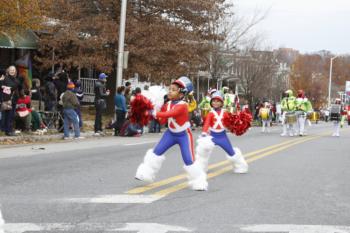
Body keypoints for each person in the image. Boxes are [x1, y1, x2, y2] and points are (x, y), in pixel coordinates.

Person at [135, 76, 208, 191]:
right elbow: (163, 121)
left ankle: (199, 181)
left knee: (188, 160)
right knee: (156, 152)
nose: (170, 91)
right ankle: (146, 174)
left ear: (181, 94)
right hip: (170, 134)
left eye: (173, 90)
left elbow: (169, 114)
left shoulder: (183, 105)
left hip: (184, 135)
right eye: (170, 89)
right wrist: (153, 110)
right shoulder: (167, 104)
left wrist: (155, 113)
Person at [195, 91, 248, 187]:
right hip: (212, 136)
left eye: (218, 101)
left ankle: (240, 165)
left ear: (221, 103)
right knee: (204, 152)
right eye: (214, 101)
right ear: (211, 102)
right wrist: (204, 133)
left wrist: (238, 125)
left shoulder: (225, 113)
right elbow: (206, 123)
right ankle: (201, 167)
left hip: (223, 136)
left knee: (231, 151)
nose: (215, 103)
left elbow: (231, 122)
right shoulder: (210, 113)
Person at [0, 66, 23, 136]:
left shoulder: (16, 80)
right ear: (8, 71)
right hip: (7, 100)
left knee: (11, 116)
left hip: (14, 99)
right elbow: (3, 87)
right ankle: (7, 131)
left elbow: (17, 87)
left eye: (13, 70)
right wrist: (1, 81)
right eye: (11, 70)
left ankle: (8, 130)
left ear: (15, 71)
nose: (12, 71)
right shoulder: (5, 78)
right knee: (7, 116)